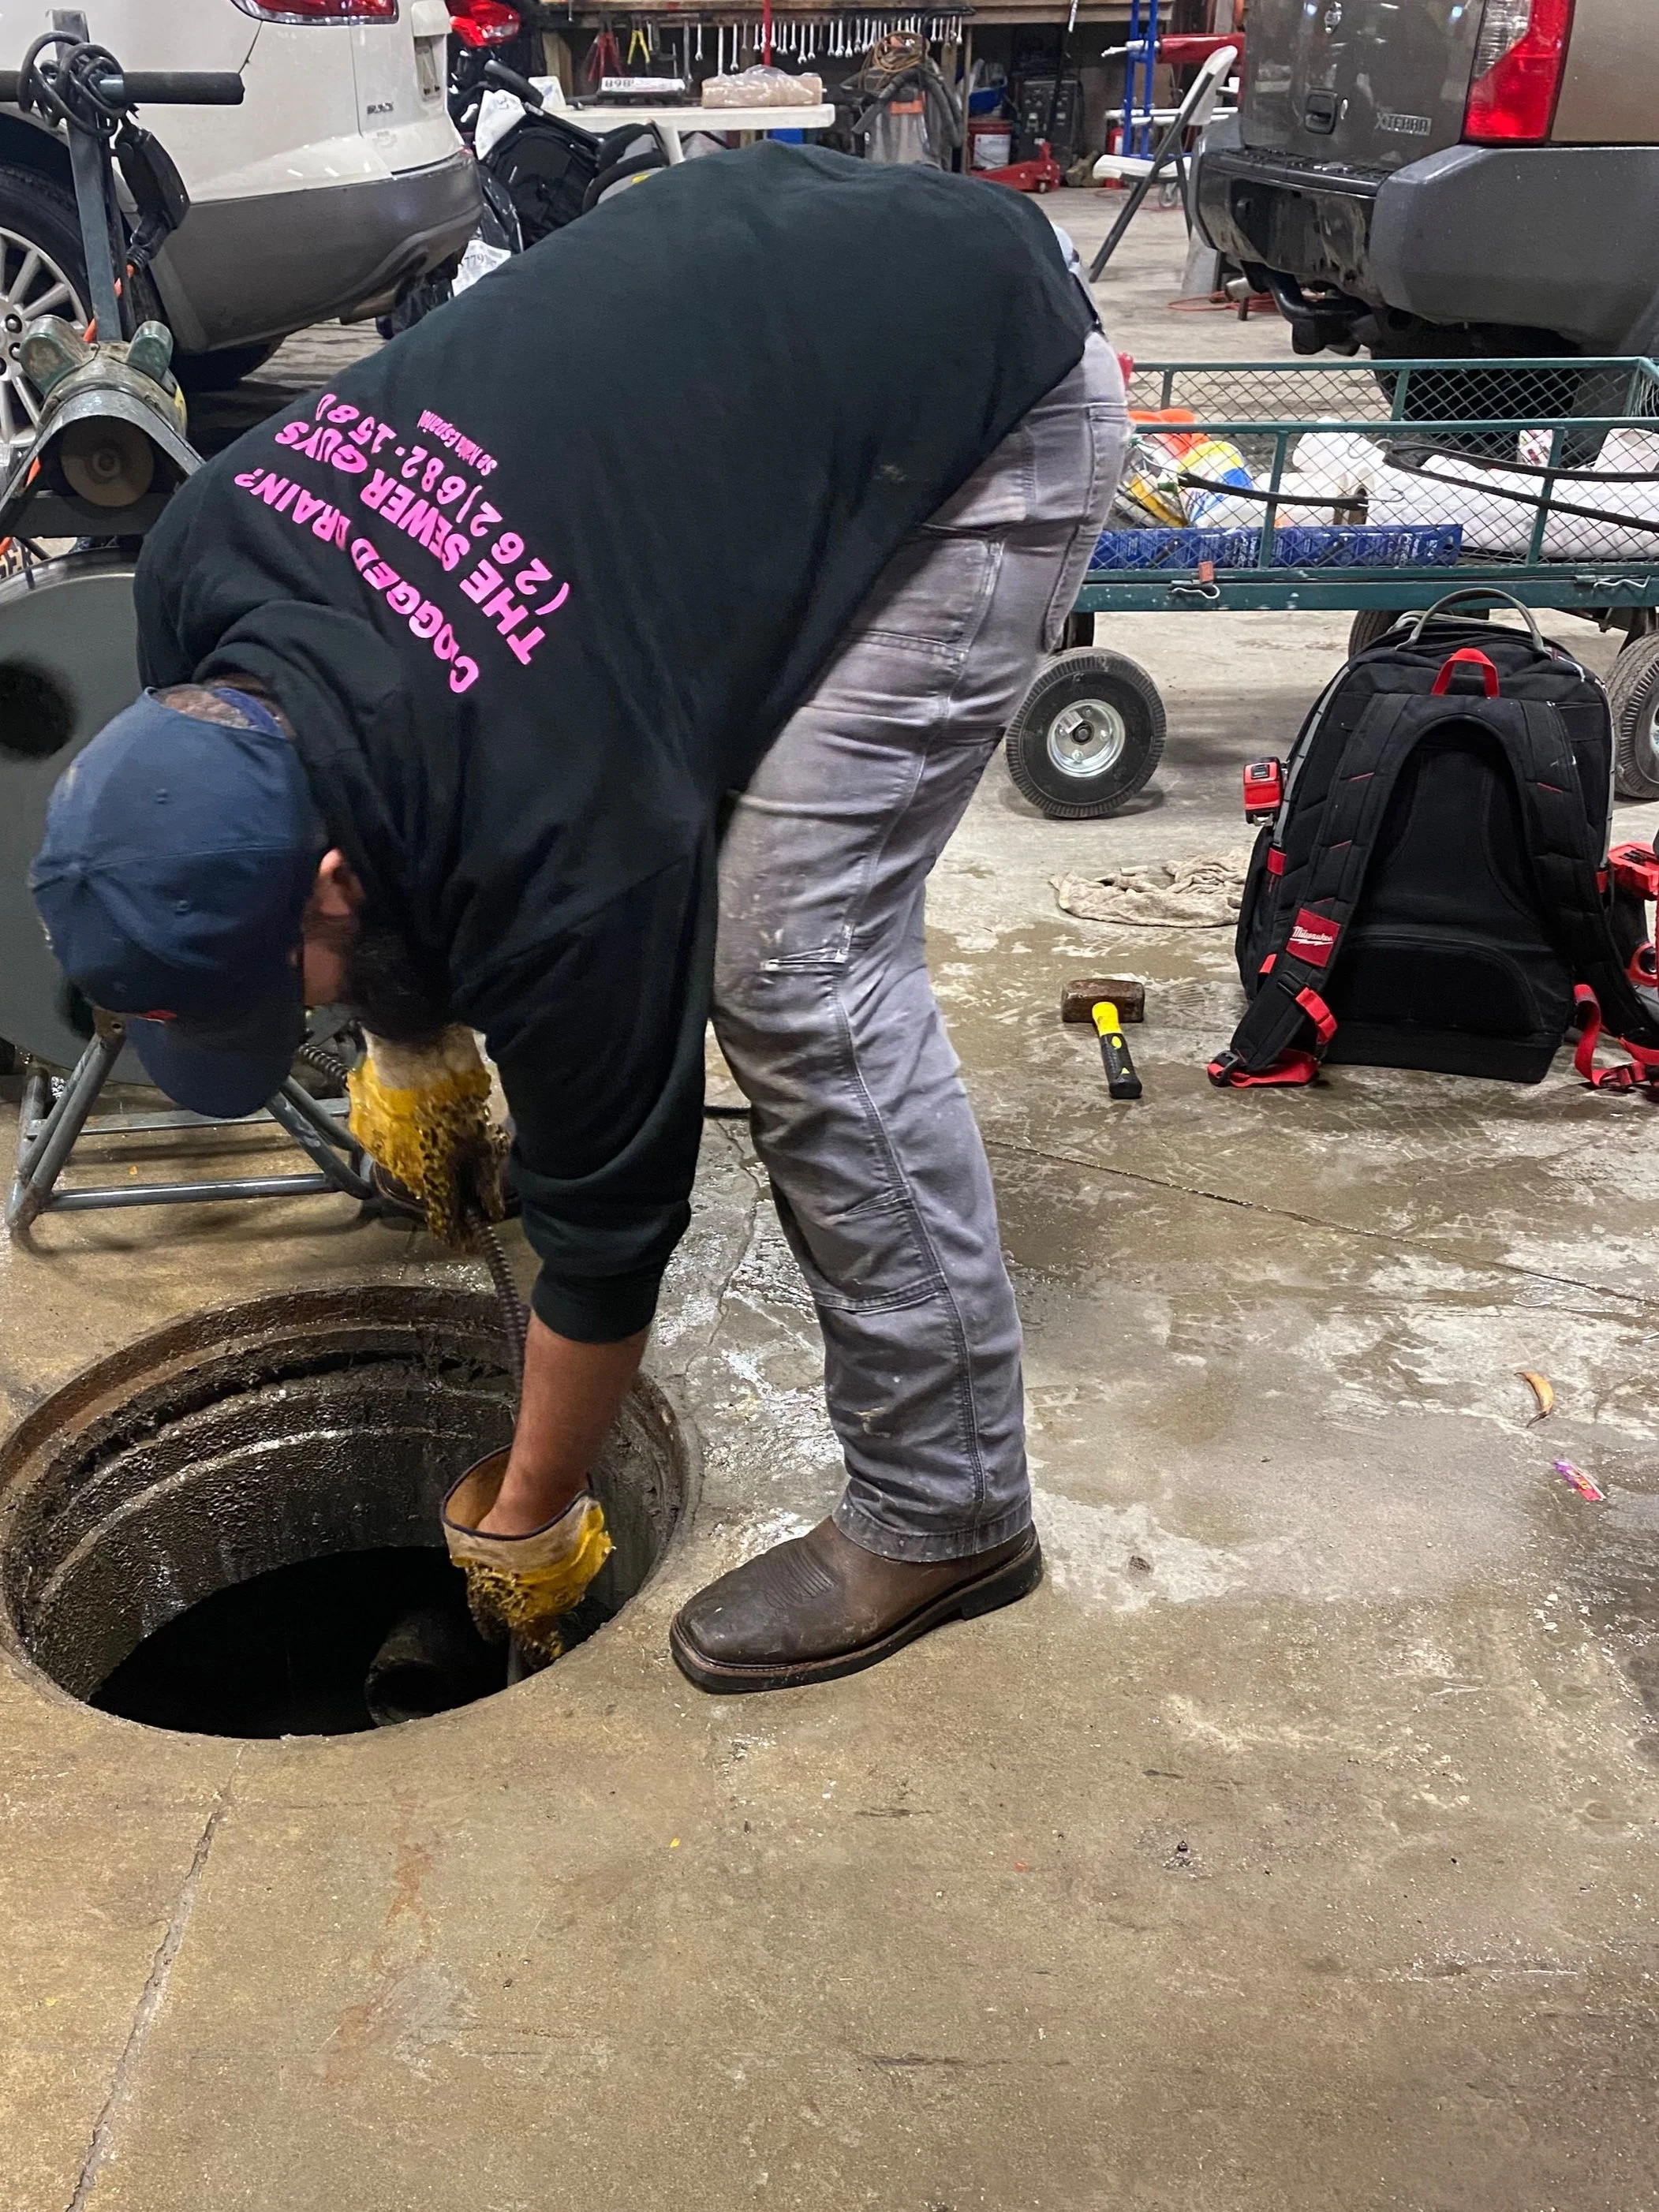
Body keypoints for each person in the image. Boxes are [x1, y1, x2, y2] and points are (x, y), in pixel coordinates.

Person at [31, 144, 1125, 1693]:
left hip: (971, 380)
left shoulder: (568, 852)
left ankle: (947, 1509)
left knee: (793, 965)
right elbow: (376, 825)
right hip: (739, 296)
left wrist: (525, 1519)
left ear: (333, 879)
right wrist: (414, 1040)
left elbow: (610, 1241)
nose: (319, 1023)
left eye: (303, 993)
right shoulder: (200, 569)